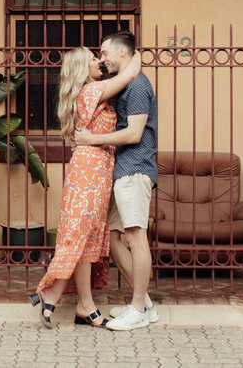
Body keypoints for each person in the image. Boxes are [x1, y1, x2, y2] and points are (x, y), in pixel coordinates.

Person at [28, 46, 141, 329]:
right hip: (89, 171)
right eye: (93, 58)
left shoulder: (94, 91)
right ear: (81, 68)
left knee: (90, 238)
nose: (99, 61)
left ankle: (84, 304)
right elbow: (130, 73)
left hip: (99, 170)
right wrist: (132, 51)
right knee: (78, 234)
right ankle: (51, 292)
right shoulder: (90, 91)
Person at [75, 30, 158, 331]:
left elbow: (134, 133)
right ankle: (144, 302)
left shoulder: (136, 86)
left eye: (105, 52)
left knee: (136, 237)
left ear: (122, 53)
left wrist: (91, 139)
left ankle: (137, 309)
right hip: (122, 170)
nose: (102, 58)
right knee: (113, 237)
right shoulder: (125, 83)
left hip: (135, 169)